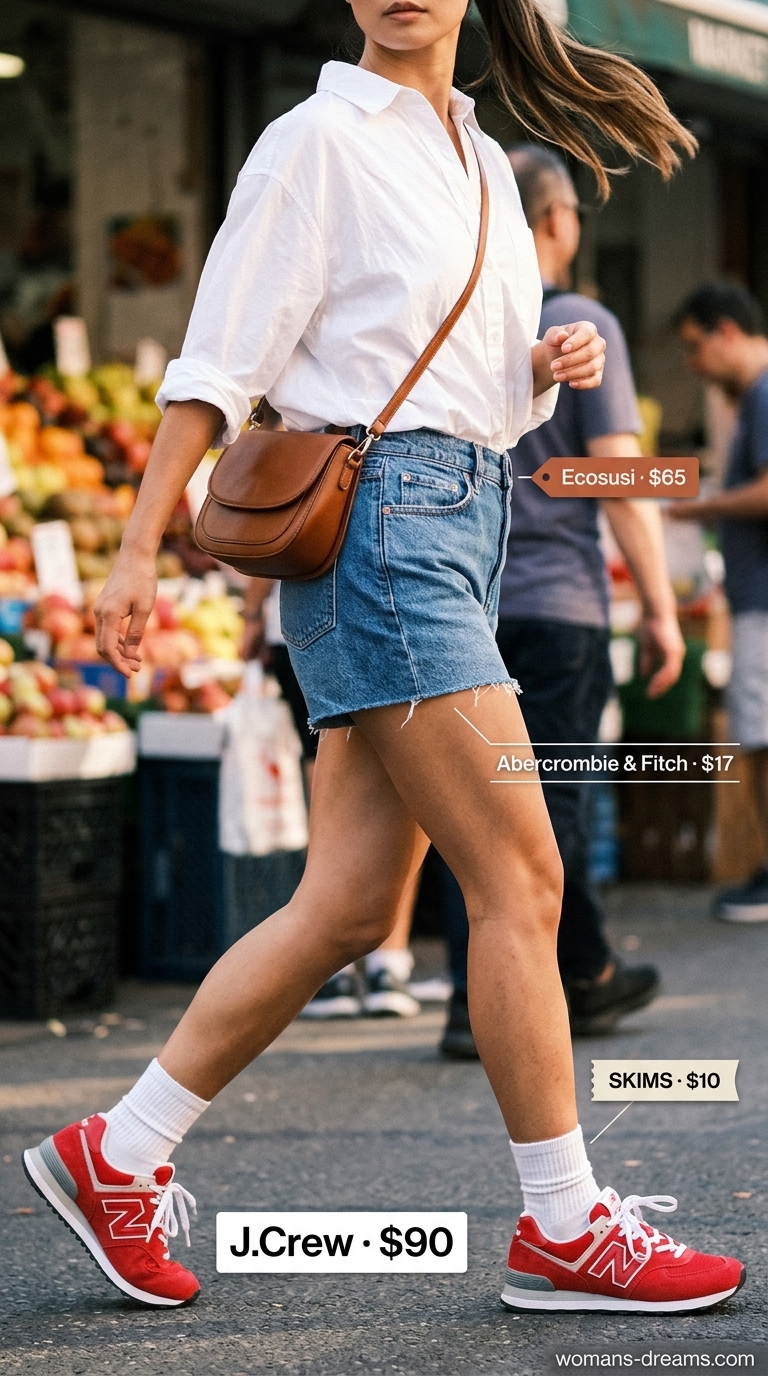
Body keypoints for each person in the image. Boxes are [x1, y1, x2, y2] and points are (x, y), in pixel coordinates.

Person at [23, 0, 743, 1316]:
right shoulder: (315, 142)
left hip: (465, 516)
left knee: (352, 906)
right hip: (388, 540)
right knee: (522, 874)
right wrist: (137, 551)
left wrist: (540, 368)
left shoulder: (471, 151)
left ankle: (114, 1153)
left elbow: (454, 382)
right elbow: (220, 361)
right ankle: (565, 1227)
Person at [440, 145, 684, 1057]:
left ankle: (516, 994)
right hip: (558, 602)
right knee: (553, 805)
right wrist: (659, 607)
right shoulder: (580, 319)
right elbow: (618, 479)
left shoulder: (465, 321)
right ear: (556, 220)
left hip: (468, 598)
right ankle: (546, 996)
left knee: (471, 808)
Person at [242, 573, 422, 1018]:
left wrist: (251, 612)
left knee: (326, 773)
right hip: (394, 610)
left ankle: (333, 971)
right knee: (407, 780)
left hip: (309, 622)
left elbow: (278, 521)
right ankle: (387, 964)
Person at [671, 282, 768, 922]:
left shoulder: (764, 392)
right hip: (754, 594)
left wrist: (695, 507)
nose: (694, 362)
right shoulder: (752, 397)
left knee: (762, 739)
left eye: (695, 346)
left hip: (763, 599)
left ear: (726, 331)